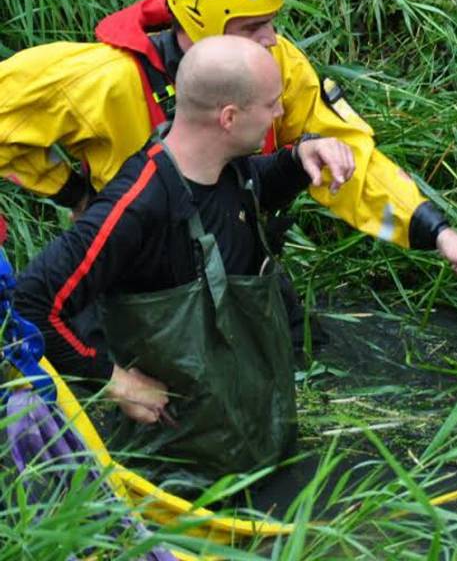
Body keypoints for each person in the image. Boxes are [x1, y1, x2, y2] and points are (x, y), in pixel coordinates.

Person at [0, 0, 457, 285]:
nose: (272, 40)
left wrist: (437, 232)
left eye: (272, 21)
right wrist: (73, 191)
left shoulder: (278, 64)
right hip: (136, 282)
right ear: (202, 20)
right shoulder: (104, 78)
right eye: (253, 28)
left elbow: (348, 163)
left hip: (243, 265)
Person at [14, 36, 356, 477]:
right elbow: (33, 303)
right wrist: (113, 380)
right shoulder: (136, 206)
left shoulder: (227, 167)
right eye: (271, 104)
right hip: (177, 474)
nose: (280, 114)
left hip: (251, 440)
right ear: (229, 117)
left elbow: (250, 185)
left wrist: (299, 156)